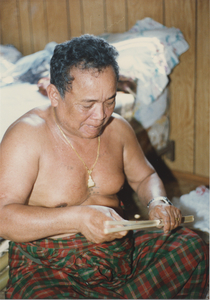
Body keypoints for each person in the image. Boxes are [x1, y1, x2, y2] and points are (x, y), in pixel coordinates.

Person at [0, 34, 208, 299]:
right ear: (54, 94)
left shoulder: (118, 128)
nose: (100, 116)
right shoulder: (26, 136)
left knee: (190, 248)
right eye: (87, 104)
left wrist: (158, 201)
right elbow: (3, 218)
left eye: (109, 100)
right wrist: (78, 217)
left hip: (120, 254)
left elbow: (145, 177)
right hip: (51, 267)